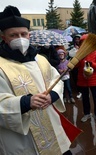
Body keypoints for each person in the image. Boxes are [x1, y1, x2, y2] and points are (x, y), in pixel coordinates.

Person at [0, 6, 72, 155]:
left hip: (50, 127)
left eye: (23, 34)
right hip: (21, 139)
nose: (20, 38)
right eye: (14, 35)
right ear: (4, 37)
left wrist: (51, 96)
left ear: (28, 35)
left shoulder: (40, 59)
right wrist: (26, 102)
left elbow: (57, 80)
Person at [76, 34, 96, 123]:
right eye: (82, 43)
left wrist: (92, 64)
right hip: (82, 79)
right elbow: (76, 66)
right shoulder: (79, 53)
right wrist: (77, 60)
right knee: (85, 98)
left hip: (93, 79)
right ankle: (86, 114)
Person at [68, 34, 82, 99]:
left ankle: (82, 91)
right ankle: (78, 91)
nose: (77, 40)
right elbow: (69, 55)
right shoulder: (71, 47)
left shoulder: (82, 47)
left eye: (78, 39)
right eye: (76, 39)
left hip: (81, 65)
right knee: (75, 78)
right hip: (74, 65)